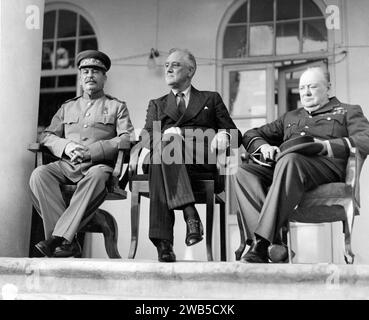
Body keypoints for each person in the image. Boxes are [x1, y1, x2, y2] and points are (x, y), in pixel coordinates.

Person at [232, 66, 369, 263]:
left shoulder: (348, 110)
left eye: (312, 87)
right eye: (302, 87)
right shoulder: (291, 116)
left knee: (290, 159)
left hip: (325, 167)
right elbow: (251, 134)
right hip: (287, 168)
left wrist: (327, 146)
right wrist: (264, 148)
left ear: (328, 87)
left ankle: (261, 244)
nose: (306, 92)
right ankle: (275, 244)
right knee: (244, 172)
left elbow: (366, 138)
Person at [29, 50, 134, 257]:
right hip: (67, 166)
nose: (89, 75)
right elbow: (47, 135)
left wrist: (92, 152)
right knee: (39, 174)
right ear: (80, 76)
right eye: (85, 71)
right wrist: (66, 146)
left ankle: (57, 239)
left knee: (96, 176)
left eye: (95, 71)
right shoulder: (67, 107)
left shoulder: (116, 107)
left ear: (104, 77)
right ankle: (66, 241)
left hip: (98, 167)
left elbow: (126, 138)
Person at [141, 48, 241, 262]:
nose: (168, 68)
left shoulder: (210, 99)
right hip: (165, 155)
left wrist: (224, 135)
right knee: (166, 147)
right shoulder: (157, 104)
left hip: (199, 160)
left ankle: (164, 242)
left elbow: (235, 135)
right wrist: (166, 136)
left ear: (190, 70)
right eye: (166, 64)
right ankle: (190, 215)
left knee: (162, 156)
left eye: (175, 65)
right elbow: (146, 138)